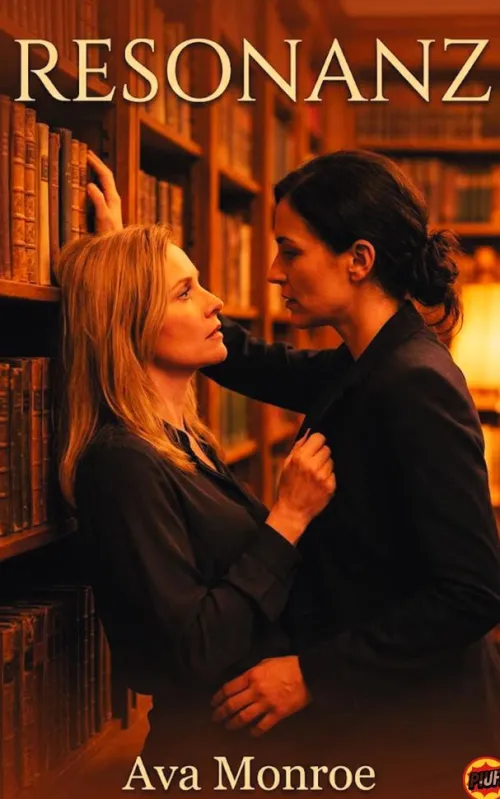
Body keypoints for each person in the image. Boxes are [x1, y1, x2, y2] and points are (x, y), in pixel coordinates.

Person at [86, 149, 500, 798]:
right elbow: (255, 359)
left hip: (428, 737)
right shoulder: (368, 362)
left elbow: (473, 592)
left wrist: (312, 675)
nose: (274, 271)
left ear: (358, 260)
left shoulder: (413, 381)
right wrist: (126, 280)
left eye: (290, 250)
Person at [54, 203, 335, 788]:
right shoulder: (121, 463)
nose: (216, 303)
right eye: (185, 292)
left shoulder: (184, 441)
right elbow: (190, 651)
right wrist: (287, 518)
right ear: (130, 320)